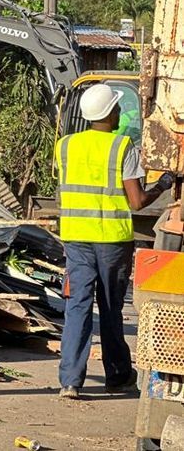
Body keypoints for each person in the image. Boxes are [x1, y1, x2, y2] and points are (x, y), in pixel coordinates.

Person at [56, 84, 173, 400]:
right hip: (110, 240)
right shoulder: (123, 147)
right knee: (109, 308)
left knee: (78, 305)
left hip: (76, 237)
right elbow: (136, 202)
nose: (121, 111)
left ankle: (70, 381)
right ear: (111, 113)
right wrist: (162, 185)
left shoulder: (65, 145)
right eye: (118, 107)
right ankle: (118, 377)